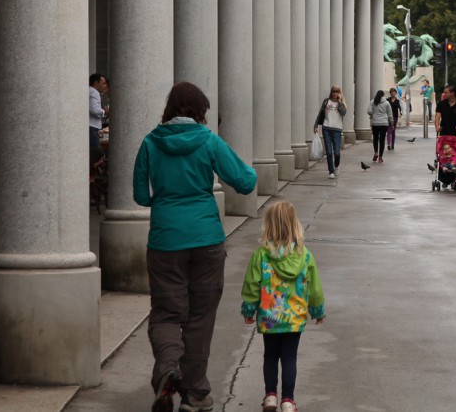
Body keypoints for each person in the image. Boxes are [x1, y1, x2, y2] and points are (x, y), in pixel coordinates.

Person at [134, 81, 258, 412]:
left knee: (165, 313)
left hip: (164, 240)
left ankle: (167, 370)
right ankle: (195, 393)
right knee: (200, 317)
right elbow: (246, 182)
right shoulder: (208, 141)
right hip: (206, 240)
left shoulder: (150, 142)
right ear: (201, 111)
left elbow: (140, 196)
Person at [241, 201, 325, 412]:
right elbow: (314, 288)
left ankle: (270, 396)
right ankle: (288, 400)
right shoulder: (305, 256)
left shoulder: (261, 255)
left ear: (268, 225)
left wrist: (249, 309)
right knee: (289, 356)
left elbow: (252, 285)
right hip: (294, 317)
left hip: (270, 317)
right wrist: (317, 310)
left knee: (270, 355)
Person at [313, 86, 347, 179]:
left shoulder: (341, 103)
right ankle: (331, 171)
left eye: (337, 92)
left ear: (339, 93)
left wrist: (339, 102)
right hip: (326, 128)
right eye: (334, 92)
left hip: (337, 129)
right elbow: (320, 113)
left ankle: (336, 166)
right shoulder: (326, 101)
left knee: (337, 152)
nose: (335, 93)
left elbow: (343, 113)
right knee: (328, 151)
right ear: (331, 92)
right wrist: (316, 125)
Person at [367, 90, 393, 162]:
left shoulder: (373, 101)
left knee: (375, 139)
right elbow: (390, 115)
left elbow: (369, 111)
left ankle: (376, 153)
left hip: (375, 123)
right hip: (384, 123)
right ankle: (380, 157)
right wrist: (392, 123)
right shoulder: (387, 103)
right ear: (383, 95)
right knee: (382, 140)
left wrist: (373, 115)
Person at [89, 73, 109, 160]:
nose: (105, 86)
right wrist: (105, 111)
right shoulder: (94, 92)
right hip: (92, 127)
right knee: (95, 153)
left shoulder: (90, 91)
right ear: (96, 83)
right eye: (103, 83)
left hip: (91, 127)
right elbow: (94, 109)